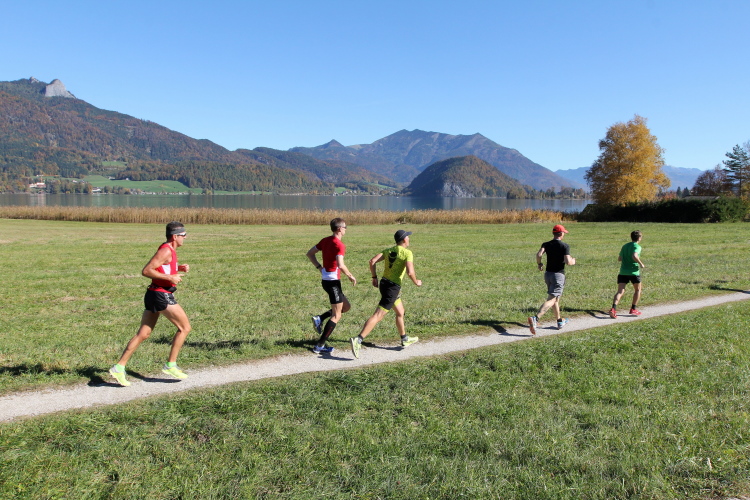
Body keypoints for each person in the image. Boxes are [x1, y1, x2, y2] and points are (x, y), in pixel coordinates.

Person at [109, 221, 192, 387]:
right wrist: (170, 278)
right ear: (175, 236)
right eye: (183, 235)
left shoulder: (170, 250)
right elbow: (147, 270)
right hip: (161, 295)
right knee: (185, 328)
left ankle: (119, 367)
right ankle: (171, 365)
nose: (185, 237)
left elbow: (162, 267)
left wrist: (178, 268)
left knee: (143, 334)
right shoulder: (165, 250)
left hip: (154, 294)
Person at [350, 229, 422, 359]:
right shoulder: (407, 253)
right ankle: (358, 339)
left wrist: (374, 277)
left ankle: (404, 338)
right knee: (378, 315)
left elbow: (372, 261)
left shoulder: (388, 250)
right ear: (404, 240)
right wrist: (416, 282)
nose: (409, 239)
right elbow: (410, 272)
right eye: (408, 237)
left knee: (400, 312)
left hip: (384, 284)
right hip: (392, 288)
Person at [306, 218, 357, 353]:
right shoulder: (339, 245)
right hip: (333, 283)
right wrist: (350, 275)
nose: (346, 229)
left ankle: (320, 318)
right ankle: (319, 346)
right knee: (336, 315)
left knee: (346, 307)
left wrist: (319, 268)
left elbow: (310, 253)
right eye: (345, 227)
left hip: (326, 281)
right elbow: (341, 265)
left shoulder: (325, 240)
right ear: (339, 229)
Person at [528, 224, 576, 335]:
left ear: (553, 233)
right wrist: (573, 261)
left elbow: (539, 254)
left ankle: (559, 321)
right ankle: (536, 318)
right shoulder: (564, 246)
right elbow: (568, 262)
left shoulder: (546, 244)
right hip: (558, 275)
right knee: (552, 299)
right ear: (561, 233)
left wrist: (539, 264)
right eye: (563, 233)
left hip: (548, 275)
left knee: (555, 298)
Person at [609, 230, 645, 318]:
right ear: (639, 238)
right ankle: (633, 309)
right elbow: (634, 256)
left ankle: (613, 308)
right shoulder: (637, 246)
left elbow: (619, 258)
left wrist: (626, 258)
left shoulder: (625, 246)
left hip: (623, 272)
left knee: (620, 291)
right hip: (634, 272)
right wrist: (641, 264)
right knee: (637, 290)